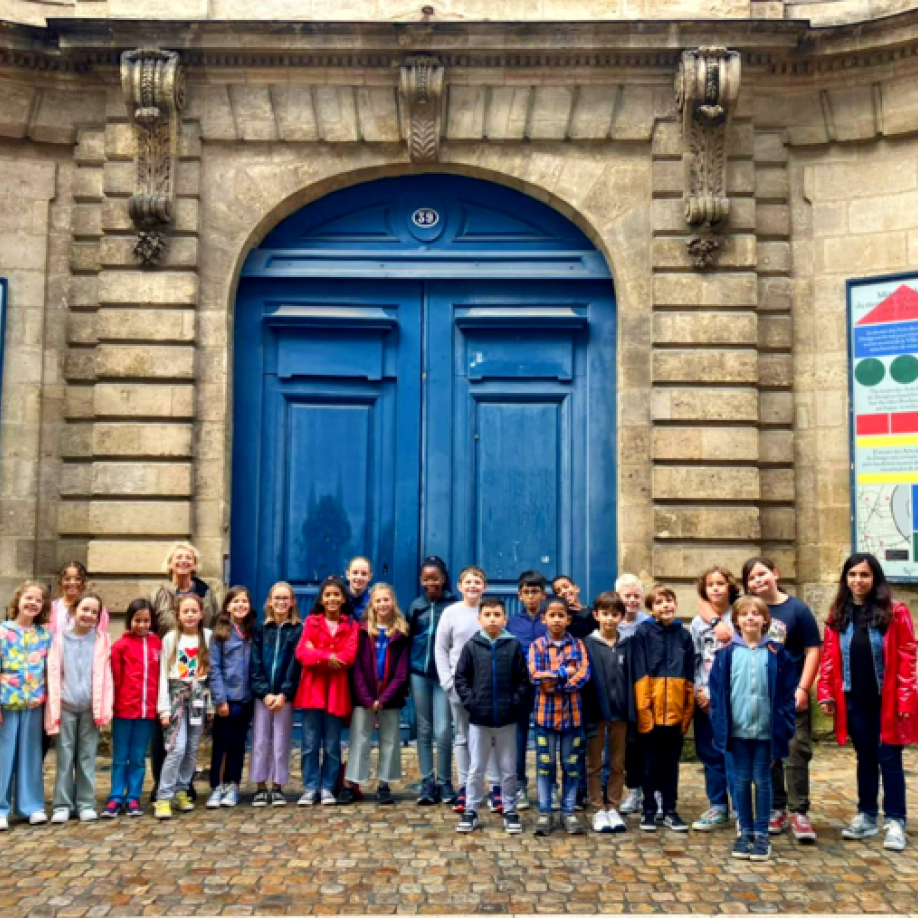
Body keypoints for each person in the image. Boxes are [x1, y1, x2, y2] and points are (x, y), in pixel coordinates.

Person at [817, 553, 918, 852]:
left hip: (886, 701)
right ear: (845, 579)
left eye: (864, 575)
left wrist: (905, 698)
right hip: (854, 699)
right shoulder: (839, 613)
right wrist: (826, 692)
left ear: (875, 579)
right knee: (865, 758)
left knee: (890, 759)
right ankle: (866, 814)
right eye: (852, 575)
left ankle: (896, 820)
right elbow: (829, 658)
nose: (858, 581)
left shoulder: (895, 611)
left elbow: (907, 656)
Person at [709, 594, 796, 862]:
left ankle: (762, 835)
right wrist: (720, 726)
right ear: (736, 620)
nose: (750, 618)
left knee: (763, 780)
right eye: (744, 614)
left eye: (755, 613)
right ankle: (744, 831)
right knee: (741, 781)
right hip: (737, 731)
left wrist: (785, 726)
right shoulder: (725, 654)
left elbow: (786, 694)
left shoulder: (777, 653)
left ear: (764, 619)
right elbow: (717, 695)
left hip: (765, 732)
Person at [742, 556, 822, 843]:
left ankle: (799, 811)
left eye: (762, 574)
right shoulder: (747, 610)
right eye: (751, 578)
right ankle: (776, 807)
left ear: (775, 574)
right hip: (760, 693)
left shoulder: (796, 608)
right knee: (769, 752)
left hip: (791, 692)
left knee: (796, 749)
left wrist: (803, 688)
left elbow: (813, 649)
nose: (758, 581)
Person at [149, 541, 219, 799]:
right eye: (178, 558)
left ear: (194, 563)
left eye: (188, 558)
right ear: (170, 563)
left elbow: (212, 622)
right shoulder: (161, 592)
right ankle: (161, 785)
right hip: (170, 666)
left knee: (190, 741)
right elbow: (154, 626)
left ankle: (183, 785)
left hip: (196, 669)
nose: (183, 562)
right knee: (166, 737)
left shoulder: (206, 591)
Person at [454, 597, 530, 835]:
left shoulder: (513, 646)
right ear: (480, 619)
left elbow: (523, 680)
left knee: (508, 769)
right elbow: (461, 678)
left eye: (497, 615)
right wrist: (472, 703)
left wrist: (514, 703)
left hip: (507, 720)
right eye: (487, 615)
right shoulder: (472, 646)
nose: (492, 619)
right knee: (476, 767)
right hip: (480, 719)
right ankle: (471, 809)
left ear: (504, 618)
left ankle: (510, 809)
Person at [435, 564, 501, 814]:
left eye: (478, 582)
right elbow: (441, 648)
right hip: (458, 686)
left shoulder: (491, 613)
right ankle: (466, 787)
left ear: (484, 587)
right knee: (462, 738)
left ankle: (495, 788)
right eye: (468, 582)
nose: (473, 586)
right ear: (460, 587)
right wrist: (447, 682)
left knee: (491, 738)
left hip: (488, 688)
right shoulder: (450, 613)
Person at [631, 583, 694, 833]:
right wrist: (644, 711)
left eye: (669, 600)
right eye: (659, 602)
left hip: (676, 712)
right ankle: (648, 809)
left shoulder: (684, 635)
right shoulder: (642, 634)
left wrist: (686, 713)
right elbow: (639, 675)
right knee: (649, 763)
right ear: (651, 609)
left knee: (671, 763)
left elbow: (689, 678)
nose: (666, 605)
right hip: (652, 712)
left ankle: (670, 808)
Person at [46, 593, 113, 824]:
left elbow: (106, 677)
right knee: (64, 756)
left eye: (94, 612)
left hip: (89, 708)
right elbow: (54, 674)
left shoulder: (102, 640)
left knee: (86, 757)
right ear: (74, 611)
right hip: (66, 705)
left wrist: (104, 708)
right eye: (85, 609)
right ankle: (62, 804)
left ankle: (85, 803)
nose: (89, 615)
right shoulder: (59, 640)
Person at [527, 596, 591, 836]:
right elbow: (535, 676)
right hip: (545, 717)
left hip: (572, 717)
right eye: (551, 615)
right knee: (545, 765)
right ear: (543, 619)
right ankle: (545, 811)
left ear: (568, 619)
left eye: (560, 615)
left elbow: (583, 675)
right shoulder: (537, 646)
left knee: (571, 765)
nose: (556, 620)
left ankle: (568, 811)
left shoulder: (578, 646)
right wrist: (564, 672)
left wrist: (555, 681)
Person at [294, 576, 359, 806]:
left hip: (336, 690)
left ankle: (328, 786)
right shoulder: (311, 623)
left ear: (343, 599)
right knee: (310, 742)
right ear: (321, 599)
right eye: (328, 595)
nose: (332, 599)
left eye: (336, 595)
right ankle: (310, 786)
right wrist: (328, 657)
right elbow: (302, 653)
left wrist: (318, 654)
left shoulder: (351, 625)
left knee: (332, 744)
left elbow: (348, 657)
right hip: (312, 689)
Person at [345, 583, 411, 804]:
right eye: (378, 600)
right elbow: (356, 668)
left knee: (390, 738)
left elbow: (401, 672)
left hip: (390, 693)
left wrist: (384, 699)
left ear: (393, 602)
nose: (383, 604)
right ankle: (353, 781)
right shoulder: (362, 631)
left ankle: (385, 783)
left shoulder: (401, 632)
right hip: (364, 692)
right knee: (359, 738)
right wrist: (366, 698)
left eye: (386, 600)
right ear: (372, 604)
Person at [0, 582, 53, 831]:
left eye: (38, 600)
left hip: (34, 705)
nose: (33, 603)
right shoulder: (2, 631)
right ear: (18, 600)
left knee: (31, 757)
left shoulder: (45, 636)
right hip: (6, 705)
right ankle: (1, 808)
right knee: (3, 757)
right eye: (28, 598)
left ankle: (31, 806)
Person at [154, 594, 213, 820]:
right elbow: (162, 675)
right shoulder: (171, 639)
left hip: (198, 697)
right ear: (178, 615)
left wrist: (210, 707)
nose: (190, 615)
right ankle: (164, 795)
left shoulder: (207, 638)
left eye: (194, 611)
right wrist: (164, 708)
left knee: (192, 748)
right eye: (185, 611)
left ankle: (182, 789)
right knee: (176, 747)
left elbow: (210, 675)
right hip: (176, 696)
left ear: (201, 614)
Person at [691, 566, 739, 832]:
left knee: (731, 752)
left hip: (732, 696)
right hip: (706, 697)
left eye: (721, 583)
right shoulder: (698, 623)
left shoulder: (740, 616)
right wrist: (700, 690)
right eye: (711, 585)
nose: (716, 589)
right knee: (709, 752)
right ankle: (718, 805)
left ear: (730, 587)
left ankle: (740, 807)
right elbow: (696, 659)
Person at [104, 599, 161, 818]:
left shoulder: (157, 644)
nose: (142, 625)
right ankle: (116, 797)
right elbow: (115, 679)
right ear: (130, 620)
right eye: (138, 620)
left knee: (138, 757)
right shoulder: (120, 646)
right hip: (123, 709)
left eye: (146, 620)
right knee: (120, 756)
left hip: (147, 711)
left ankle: (133, 796)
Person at [405, 556, 456, 805]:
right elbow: (408, 640)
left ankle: (445, 781)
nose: (431, 583)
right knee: (423, 730)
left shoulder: (453, 606)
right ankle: (427, 781)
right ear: (421, 581)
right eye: (426, 579)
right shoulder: (416, 606)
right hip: (419, 673)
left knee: (444, 730)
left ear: (443, 579)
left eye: (435, 578)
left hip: (443, 675)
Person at [582, 591, 631, 834]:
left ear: (622, 617)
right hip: (596, 713)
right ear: (596, 615)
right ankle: (597, 807)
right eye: (605, 614)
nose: (610, 619)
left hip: (620, 713)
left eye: (615, 614)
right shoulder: (587, 644)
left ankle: (613, 805)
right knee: (594, 763)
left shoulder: (627, 645)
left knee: (617, 763)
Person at [250, 582, 302, 807]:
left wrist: (284, 693)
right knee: (261, 740)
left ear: (292, 602)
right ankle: (260, 785)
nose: (281, 603)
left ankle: (278, 785)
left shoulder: (297, 630)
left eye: (285, 599)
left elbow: (295, 664)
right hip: (263, 695)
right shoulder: (261, 629)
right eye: (277, 598)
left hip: (284, 697)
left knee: (281, 740)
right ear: (269, 601)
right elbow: (256, 663)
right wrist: (264, 692)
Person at [207, 586, 255, 809]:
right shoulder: (221, 634)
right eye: (236, 601)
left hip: (246, 699)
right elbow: (214, 668)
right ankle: (217, 786)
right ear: (228, 606)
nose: (241, 605)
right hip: (227, 699)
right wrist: (220, 699)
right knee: (222, 745)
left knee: (238, 745)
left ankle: (233, 784)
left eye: (244, 601)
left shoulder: (252, 631)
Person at [506, 570, 546, 811]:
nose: (531, 597)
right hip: (519, 686)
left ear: (543, 594)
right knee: (518, 737)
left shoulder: (549, 618)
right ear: (520, 595)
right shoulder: (512, 623)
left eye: (535, 592)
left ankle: (547, 784)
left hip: (546, 688)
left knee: (545, 736)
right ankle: (519, 783)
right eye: (526, 592)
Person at [614, 573, 649, 817]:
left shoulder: (649, 624)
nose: (632, 601)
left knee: (648, 746)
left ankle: (651, 791)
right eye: (628, 596)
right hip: (620, 694)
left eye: (637, 596)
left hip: (646, 693)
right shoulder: (611, 623)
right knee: (627, 747)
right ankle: (633, 790)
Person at [50, 561, 110, 634]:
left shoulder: (97, 608)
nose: (72, 583)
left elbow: (101, 636)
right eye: (67, 579)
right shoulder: (51, 608)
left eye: (77, 579)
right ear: (60, 581)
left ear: (84, 581)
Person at [551, 574, 596, 640]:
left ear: (576, 589)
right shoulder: (560, 618)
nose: (563, 591)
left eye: (566, 587)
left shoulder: (592, 613)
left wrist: (582, 612)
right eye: (558, 591)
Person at [345, 556, 373, 621]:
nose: (359, 577)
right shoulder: (340, 596)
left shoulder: (374, 598)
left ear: (370, 577)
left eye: (364, 574)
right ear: (348, 574)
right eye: (355, 573)